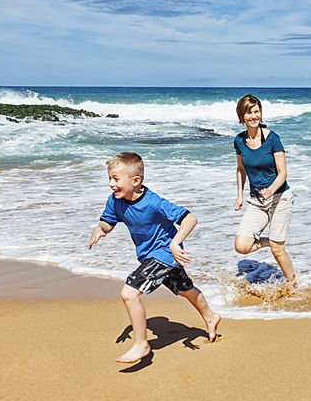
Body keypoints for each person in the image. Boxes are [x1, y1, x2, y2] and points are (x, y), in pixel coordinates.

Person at [88, 151, 221, 363]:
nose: (111, 184)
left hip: (165, 253)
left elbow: (190, 219)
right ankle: (211, 317)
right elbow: (108, 221)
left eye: (115, 179)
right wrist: (100, 229)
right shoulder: (115, 200)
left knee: (129, 293)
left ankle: (142, 345)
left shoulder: (153, 202)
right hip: (149, 256)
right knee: (184, 289)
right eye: (110, 178)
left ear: (136, 180)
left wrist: (175, 242)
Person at [232, 94, 296, 282]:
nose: (254, 116)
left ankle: (292, 283)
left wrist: (270, 190)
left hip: (280, 198)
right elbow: (240, 169)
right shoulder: (239, 141)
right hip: (257, 202)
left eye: (256, 111)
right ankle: (272, 241)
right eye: (249, 112)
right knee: (241, 246)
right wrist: (240, 196)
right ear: (242, 116)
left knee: (278, 250)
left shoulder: (272, 138)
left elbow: (283, 172)